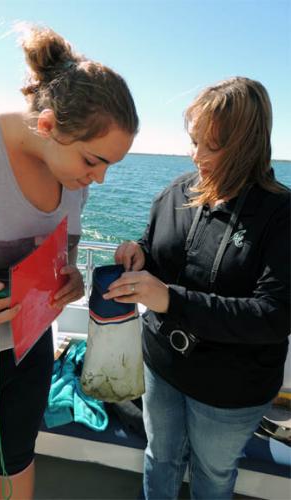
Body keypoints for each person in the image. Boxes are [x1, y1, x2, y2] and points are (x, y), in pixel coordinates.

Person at [0, 23, 138, 499]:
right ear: (47, 127)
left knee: (16, 455)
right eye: (93, 161)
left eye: (110, 167)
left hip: (30, 345)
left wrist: (70, 280)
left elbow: (64, 252)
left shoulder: (73, 179)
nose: (98, 180)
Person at [104, 76, 290, 499]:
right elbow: (158, 249)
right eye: (195, 141)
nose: (197, 156)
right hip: (162, 366)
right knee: (160, 456)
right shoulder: (175, 192)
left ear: (248, 145)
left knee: (212, 475)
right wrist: (140, 253)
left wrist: (169, 299)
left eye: (214, 146)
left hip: (230, 390)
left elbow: (275, 315)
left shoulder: (281, 215)